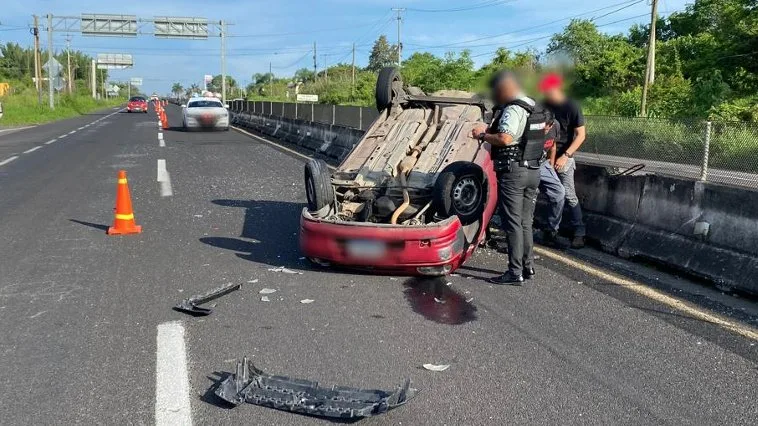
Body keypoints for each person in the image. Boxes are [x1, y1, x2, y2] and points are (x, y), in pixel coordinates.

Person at [472, 71, 549, 285]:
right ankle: (527, 266)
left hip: (514, 172)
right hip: (533, 170)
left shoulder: (514, 108)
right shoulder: (534, 107)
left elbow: (505, 139)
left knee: (513, 222)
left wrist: (482, 135)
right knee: (525, 222)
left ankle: (515, 273)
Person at [539, 73, 587, 248]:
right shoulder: (543, 105)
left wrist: (565, 156)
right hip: (543, 156)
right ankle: (549, 231)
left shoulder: (571, 106)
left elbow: (581, 135)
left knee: (568, 194)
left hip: (564, 156)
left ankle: (579, 232)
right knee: (546, 195)